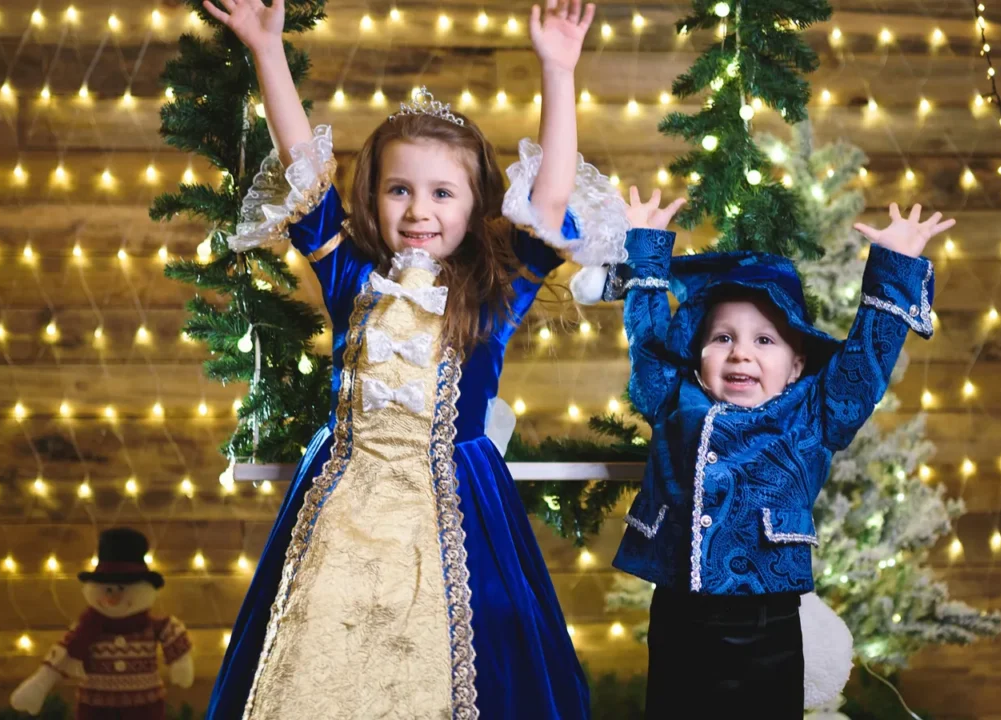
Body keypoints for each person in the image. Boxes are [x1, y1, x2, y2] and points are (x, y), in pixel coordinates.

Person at [200, 0, 629, 717]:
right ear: (373, 196)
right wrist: (267, 50)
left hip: (458, 503)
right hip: (346, 499)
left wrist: (559, 70)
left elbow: (551, 204)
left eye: (441, 193)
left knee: (473, 659)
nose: (418, 210)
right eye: (400, 189)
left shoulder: (496, 291)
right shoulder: (349, 277)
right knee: (326, 659)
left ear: (475, 204)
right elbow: (302, 163)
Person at [611, 188, 952, 716]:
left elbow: (864, 363)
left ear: (796, 364)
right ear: (698, 357)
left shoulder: (816, 412)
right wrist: (646, 249)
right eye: (721, 338)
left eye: (764, 341)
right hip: (679, 618)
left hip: (765, 622)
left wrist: (896, 262)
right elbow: (648, 338)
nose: (741, 352)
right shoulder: (671, 397)